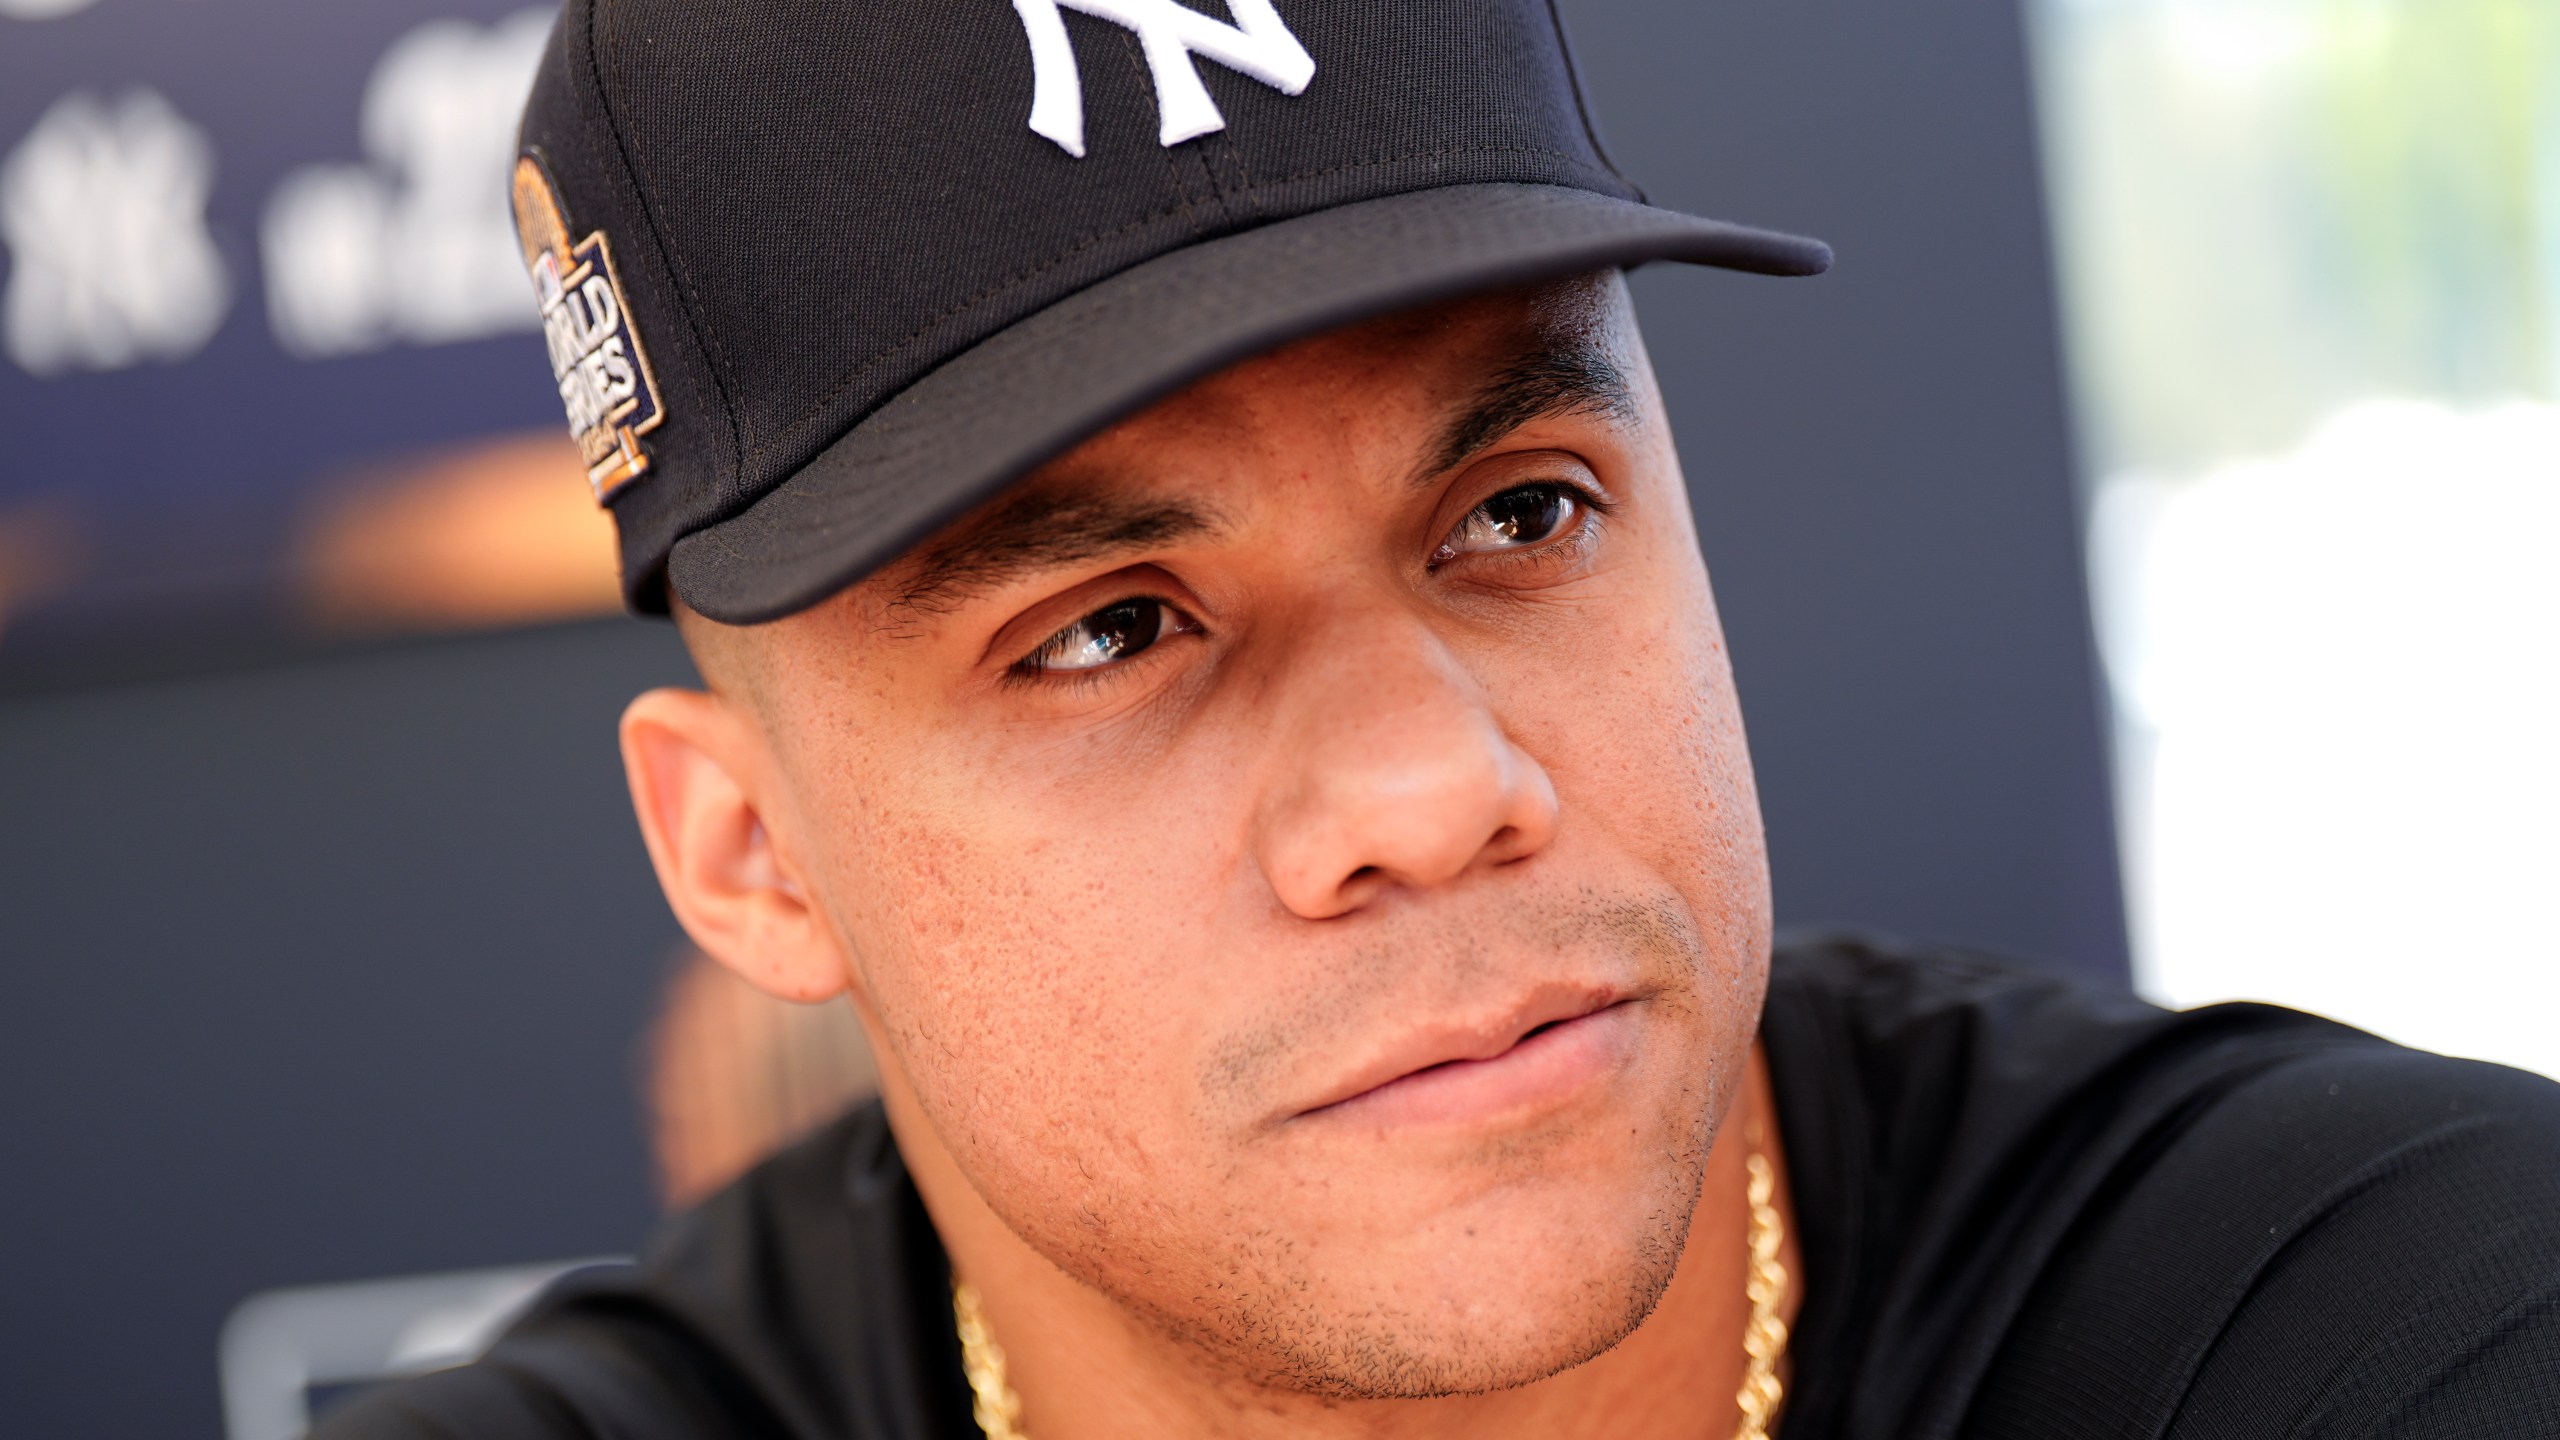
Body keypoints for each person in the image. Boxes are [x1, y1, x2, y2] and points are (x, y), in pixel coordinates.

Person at [321, 2, 2560, 1436]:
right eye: (1106, 630)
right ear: (750, 855)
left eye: (1514, 508)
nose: (1431, 784)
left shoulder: (2385, 1327)